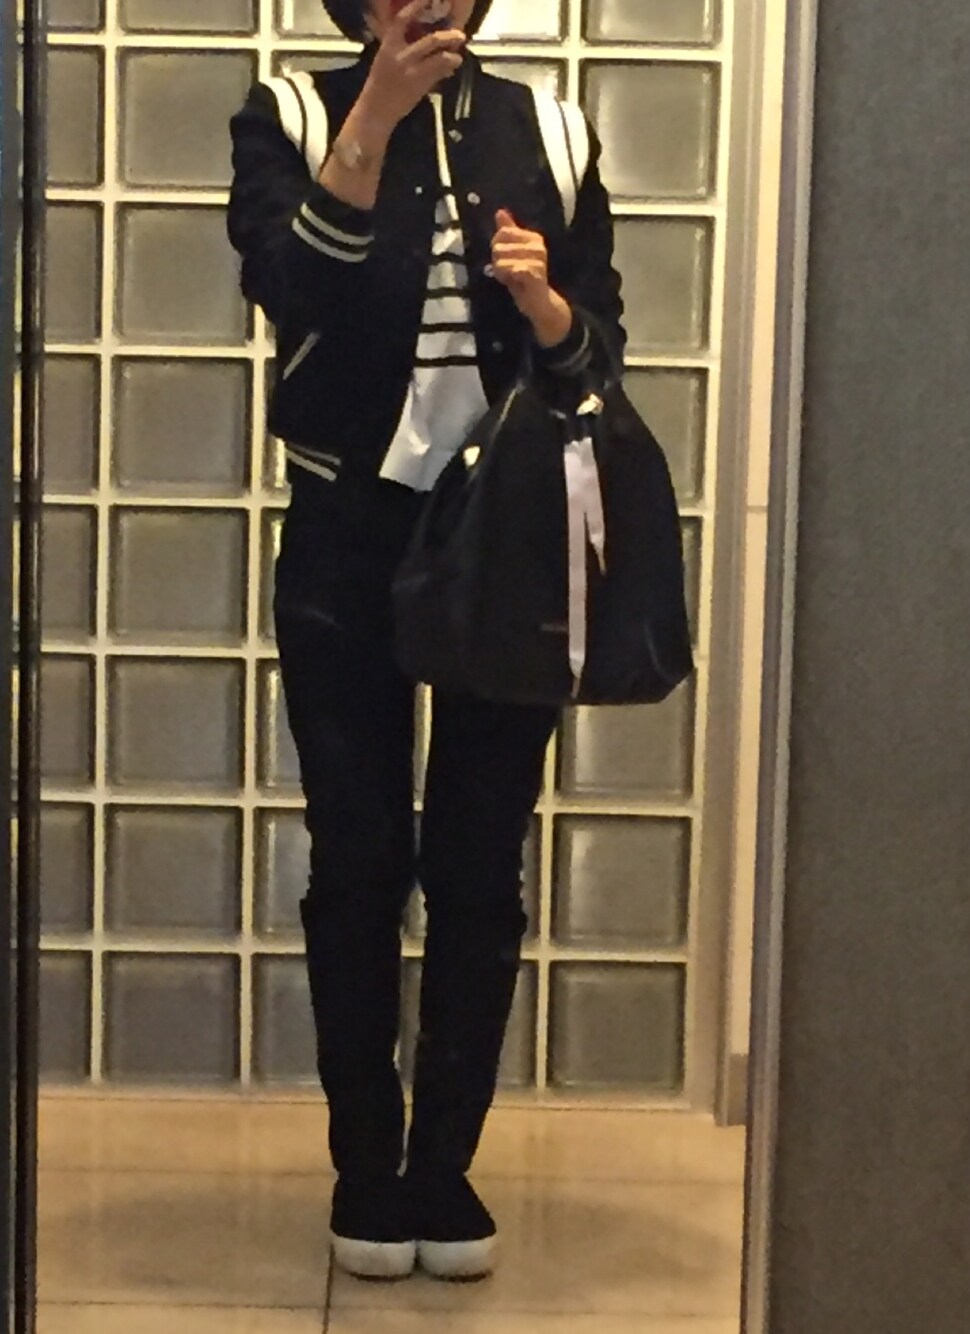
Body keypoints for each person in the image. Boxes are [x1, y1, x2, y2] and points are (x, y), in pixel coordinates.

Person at [227, 0, 626, 1284]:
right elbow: (286, 287)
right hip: (346, 532)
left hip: (503, 540)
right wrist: (374, 120)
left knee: (477, 862)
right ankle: (366, 1162)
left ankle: (444, 1167)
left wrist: (545, 306)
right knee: (357, 854)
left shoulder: (549, 130)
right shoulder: (294, 111)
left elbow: (598, 353)